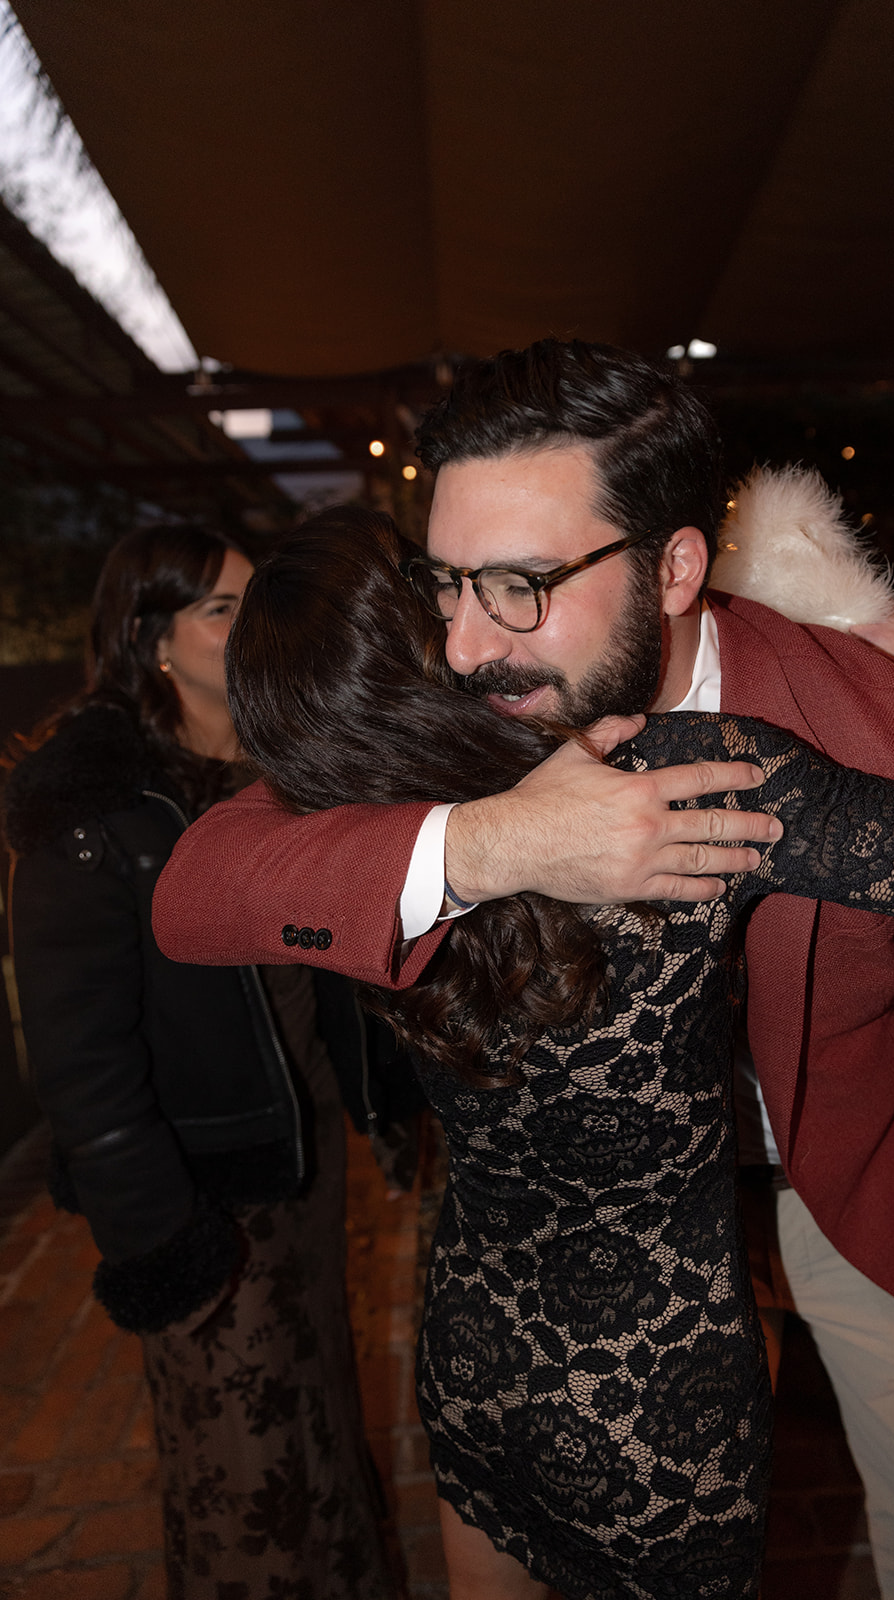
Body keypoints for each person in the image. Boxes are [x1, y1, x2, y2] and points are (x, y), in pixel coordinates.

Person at [153, 339, 894, 1600]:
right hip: (590, 1287)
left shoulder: (876, 721)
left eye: (522, 583)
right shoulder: (472, 701)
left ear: (675, 565)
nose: (467, 643)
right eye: (446, 580)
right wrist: (492, 838)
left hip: (862, 1162)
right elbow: (205, 881)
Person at [2, 525, 398, 1600]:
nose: (250, 621)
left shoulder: (286, 760)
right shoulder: (93, 806)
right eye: (220, 609)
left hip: (298, 1162)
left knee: (319, 1425)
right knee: (244, 1477)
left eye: (249, 600)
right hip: (201, 1200)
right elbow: (79, 1063)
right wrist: (164, 1239)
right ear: (154, 641)